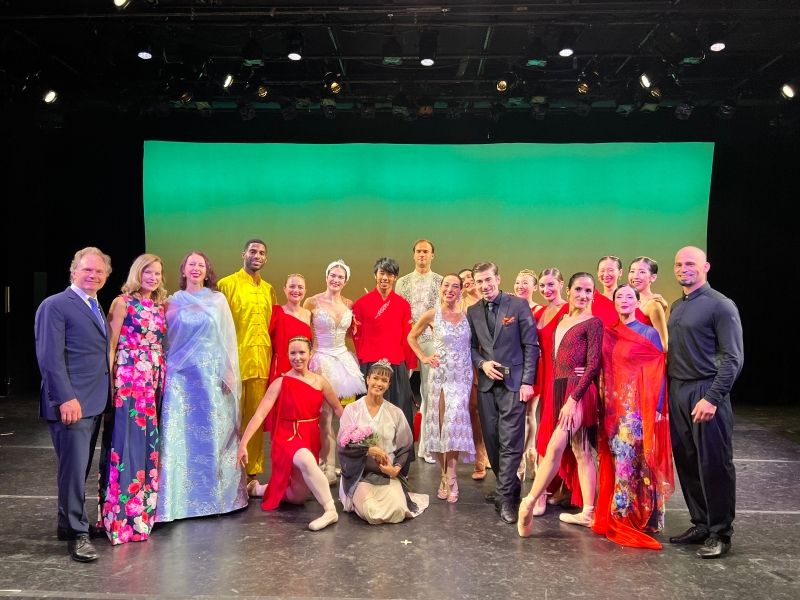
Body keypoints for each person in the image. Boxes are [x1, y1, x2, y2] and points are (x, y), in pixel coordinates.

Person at [157, 251, 247, 522]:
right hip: (179, 380)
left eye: (201, 265)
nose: (196, 268)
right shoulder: (171, 301)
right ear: (183, 270)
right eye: (191, 264)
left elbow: (227, 339)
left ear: (208, 272)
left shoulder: (218, 300)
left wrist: (229, 372)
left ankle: (215, 499)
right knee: (179, 438)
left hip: (209, 377)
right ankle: (176, 503)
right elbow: (164, 340)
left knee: (211, 435)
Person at [35, 247, 113, 562]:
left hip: (93, 401)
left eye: (99, 272)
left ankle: (69, 524)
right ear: (73, 271)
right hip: (72, 402)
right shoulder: (55, 305)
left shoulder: (94, 304)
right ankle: (77, 534)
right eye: (87, 270)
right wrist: (65, 397)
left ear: (106, 277)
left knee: (78, 468)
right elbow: (49, 357)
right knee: (72, 469)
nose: (92, 275)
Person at [667, 246, 743, 559]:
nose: (683, 268)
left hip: (705, 392)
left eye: (690, 263)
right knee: (686, 461)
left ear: (705, 267)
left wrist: (712, 398)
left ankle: (720, 533)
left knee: (714, 464)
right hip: (679, 392)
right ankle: (701, 523)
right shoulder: (676, 305)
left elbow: (733, 358)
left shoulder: (721, 306)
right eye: (678, 264)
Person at [518, 272, 603, 537]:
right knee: (581, 451)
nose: (583, 295)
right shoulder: (563, 319)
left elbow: (593, 365)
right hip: (557, 389)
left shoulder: (593, 322)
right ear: (569, 290)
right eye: (579, 289)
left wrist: (573, 400)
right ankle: (588, 511)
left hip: (577, 393)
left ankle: (529, 501)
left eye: (589, 291)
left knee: (555, 445)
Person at [592, 284, 674, 549]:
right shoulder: (610, 333)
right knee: (620, 461)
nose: (624, 300)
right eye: (619, 297)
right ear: (614, 303)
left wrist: (659, 407)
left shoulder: (648, 333)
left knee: (637, 463)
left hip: (638, 411)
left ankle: (629, 517)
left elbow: (658, 369)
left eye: (629, 297)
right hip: (614, 410)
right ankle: (628, 514)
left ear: (638, 302)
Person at [238, 337, 344, 531]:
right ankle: (330, 510)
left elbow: (339, 410)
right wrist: (243, 443)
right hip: (287, 437)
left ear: (310, 354)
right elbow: (260, 414)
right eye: (292, 353)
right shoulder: (280, 382)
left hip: (310, 437)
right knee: (304, 459)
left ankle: (259, 489)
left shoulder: (320, 382)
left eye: (302, 352)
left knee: (297, 496)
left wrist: (357, 431)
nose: (297, 357)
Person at [101, 253, 167, 544]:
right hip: (129, 379)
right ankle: (120, 518)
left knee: (148, 447)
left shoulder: (159, 306)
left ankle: (142, 515)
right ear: (136, 273)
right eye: (147, 272)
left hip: (153, 380)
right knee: (127, 443)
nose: (152, 277)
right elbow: (111, 346)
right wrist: (110, 385)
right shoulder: (122, 302)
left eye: (157, 273)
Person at [467, 262, 539, 525]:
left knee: (511, 441)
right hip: (486, 385)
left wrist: (527, 382)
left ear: (498, 278)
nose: (484, 286)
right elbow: (472, 347)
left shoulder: (518, 305)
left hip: (514, 384)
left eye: (488, 280)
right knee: (493, 440)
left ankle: (505, 498)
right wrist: (482, 364)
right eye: (479, 282)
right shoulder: (472, 311)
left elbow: (531, 345)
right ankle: (508, 486)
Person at [408, 274, 475, 503]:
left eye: (455, 286)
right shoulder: (432, 314)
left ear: (460, 290)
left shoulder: (468, 315)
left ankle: (452, 476)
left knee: (454, 422)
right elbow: (411, 337)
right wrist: (424, 358)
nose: (450, 289)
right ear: (440, 288)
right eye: (446, 285)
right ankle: (445, 475)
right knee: (438, 426)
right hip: (440, 375)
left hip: (462, 376)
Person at [337, 360, 429, 524]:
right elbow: (343, 446)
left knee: (398, 511)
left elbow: (405, 447)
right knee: (373, 514)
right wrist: (367, 450)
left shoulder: (395, 412)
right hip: (360, 474)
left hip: (386, 472)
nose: (379, 383)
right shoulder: (352, 410)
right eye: (376, 378)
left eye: (384, 380)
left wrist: (395, 469)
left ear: (389, 384)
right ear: (367, 379)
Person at [217, 239, 278, 485]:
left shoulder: (269, 289)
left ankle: (251, 474)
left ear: (266, 258)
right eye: (253, 251)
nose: (258, 255)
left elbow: (272, 326)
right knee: (228, 420)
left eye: (262, 252)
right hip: (232, 364)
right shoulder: (226, 285)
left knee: (254, 420)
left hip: (260, 363)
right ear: (243, 253)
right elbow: (218, 328)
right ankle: (224, 471)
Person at [304, 260, 366, 485]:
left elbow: (349, 333)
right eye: (333, 275)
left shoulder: (349, 304)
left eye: (341, 277)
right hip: (321, 359)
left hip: (343, 359)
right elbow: (304, 330)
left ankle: (343, 462)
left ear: (345, 280)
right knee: (325, 416)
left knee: (347, 415)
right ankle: (327, 464)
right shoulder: (312, 302)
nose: (336, 280)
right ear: (326, 276)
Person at [352, 257, 418, 434]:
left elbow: (408, 336)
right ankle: (365, 449)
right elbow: (356, 336)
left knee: (398, 407)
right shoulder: (361, 304)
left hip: (395, 363)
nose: (385, 278)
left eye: (390, 274)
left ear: (395, 278)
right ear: (375, 275)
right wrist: (361, 360)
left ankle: (398, 452)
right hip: (369, 363)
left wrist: (410, 364)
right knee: (367, 411)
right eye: (382, 273)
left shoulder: (403, 305)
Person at [396, 240, 443, 465]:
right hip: (406, 341)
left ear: (433, 255)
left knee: (429, 393)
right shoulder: (402, 282)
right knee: (401, 391)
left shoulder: (440, 281)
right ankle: (399, 443)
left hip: (430, 341)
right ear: (413, 255)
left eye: (426, 251)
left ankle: (427, 444)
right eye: (418, 251)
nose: (422, 255)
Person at [533, 267, 570, 512]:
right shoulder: (542, 311)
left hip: (562, 378)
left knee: (557, 433)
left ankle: (551, 490)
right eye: (543, 286)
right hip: (545, 375)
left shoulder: (570, 309)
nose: (547, 290)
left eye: (551, 285)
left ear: (561, 284)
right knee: (547, 432)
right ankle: (550, 488)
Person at [458, 267, 489, 480]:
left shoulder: (493, 297)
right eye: (463, 280)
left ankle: (495, 454)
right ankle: (480, 455)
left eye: (470, 277)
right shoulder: (460, 306)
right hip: (471, 362)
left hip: (495, 362)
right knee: (474, 410)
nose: (468, 281)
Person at [513, 269, 543, 483]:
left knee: (530, 412)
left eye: (525, 282)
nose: (520, 286)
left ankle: (528, 453)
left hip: (533, 366)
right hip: (514, 367)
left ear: (534, 286)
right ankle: (524, 454)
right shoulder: (510, 308)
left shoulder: (541, 310)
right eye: (517, 282)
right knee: (517, 413)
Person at [628, 256, 669, 349]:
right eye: (632, 271)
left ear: (653, 277)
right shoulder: (627, 301)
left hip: (643, 360)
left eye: (642, 272)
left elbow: (664, 345)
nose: (635, 276)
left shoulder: (653, 304)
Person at [593, 255, 624, 328]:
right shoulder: (591, 299)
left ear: (620, 272)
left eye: (611, 270)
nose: (606, 274)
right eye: (602, 271)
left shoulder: (630, 299)